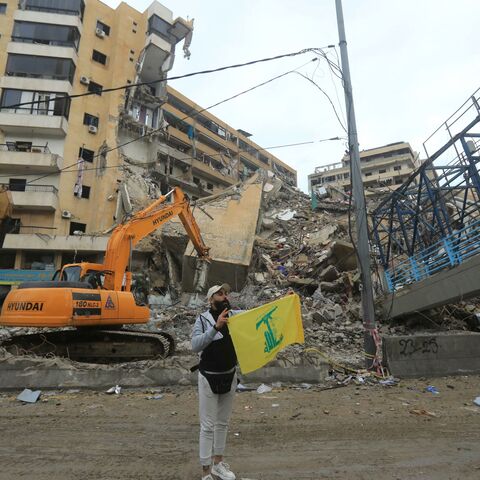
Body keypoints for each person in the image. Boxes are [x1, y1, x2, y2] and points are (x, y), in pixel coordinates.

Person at [191, 283, 242, 480]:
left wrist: (282, 302)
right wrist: (215, 327)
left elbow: (259, 315)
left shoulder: (235, 316)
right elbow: (195, 345)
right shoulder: (203, 320)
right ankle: (206, 472)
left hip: (229, 376)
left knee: (223, 423)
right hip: (208, 378)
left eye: (226, 293)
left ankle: (218, 464)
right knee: (207, 426)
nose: (224, 296)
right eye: (220, 294)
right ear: (211, 299)